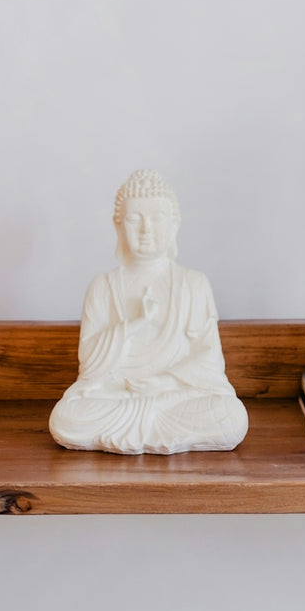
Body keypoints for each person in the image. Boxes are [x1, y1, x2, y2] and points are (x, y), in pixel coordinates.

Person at [49, 169, 249, 455]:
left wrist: (163, 382)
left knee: (230, 415)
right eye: (134, 219)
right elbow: (90, 365)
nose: (146, 230)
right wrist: (134, 325)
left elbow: (208, 359)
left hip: (174, 396)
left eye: (156, 218)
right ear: (118, 225)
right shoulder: (103, 287)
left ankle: (145, 425)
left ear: (174, 225)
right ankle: (154, 427)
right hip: (117, 396)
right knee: (67, 417)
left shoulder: (193, 284)